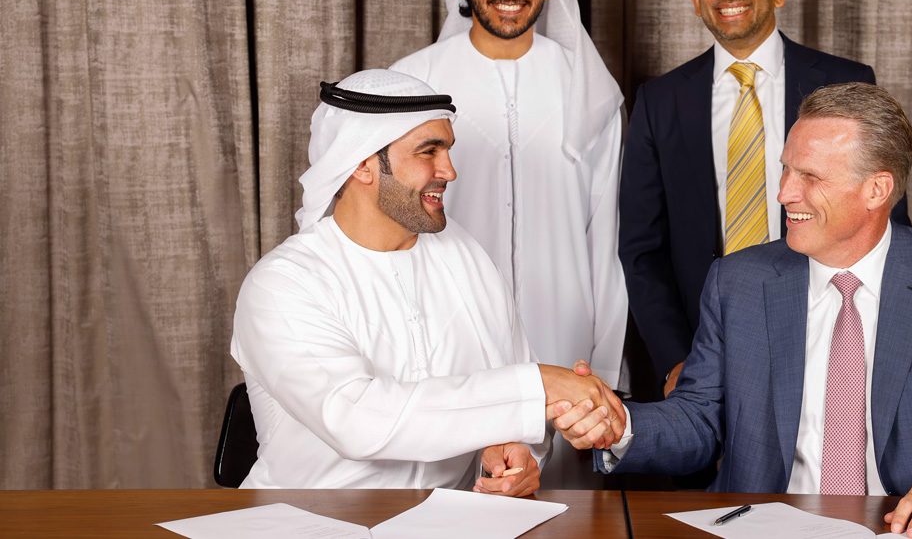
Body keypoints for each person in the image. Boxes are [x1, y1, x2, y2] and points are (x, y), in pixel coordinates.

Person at [553, 83, 912, 538]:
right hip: (761, 528)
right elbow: (700, 420)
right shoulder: (739, 281)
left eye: (810, 177)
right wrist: (623, 427)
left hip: (903, 533)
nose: (784, 194)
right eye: (786, 170)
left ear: (876, 190)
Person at [231, 69, 624, 492]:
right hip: (307, 525)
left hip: (452, 525)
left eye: (448, 151)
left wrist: (510, 453)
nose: (450, 171)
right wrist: (539, 385)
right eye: (428, 152)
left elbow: (507, 403)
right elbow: (358, 420)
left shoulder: (466, 255)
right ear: (362, 163)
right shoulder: (284, 284)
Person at [619, 0, 911, 398]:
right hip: (703, 348)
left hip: (832, 333)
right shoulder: (659, 100)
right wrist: (675, 359)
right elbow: (641, 249)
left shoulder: (845, 81)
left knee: (831, 465)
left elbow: (883, 222)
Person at [389, 0, 627, 393]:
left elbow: (605, 241)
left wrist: (605, 372)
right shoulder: (412, 84)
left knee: (559, 463)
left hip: (565, 335)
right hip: (442, 332)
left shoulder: (590, 89)